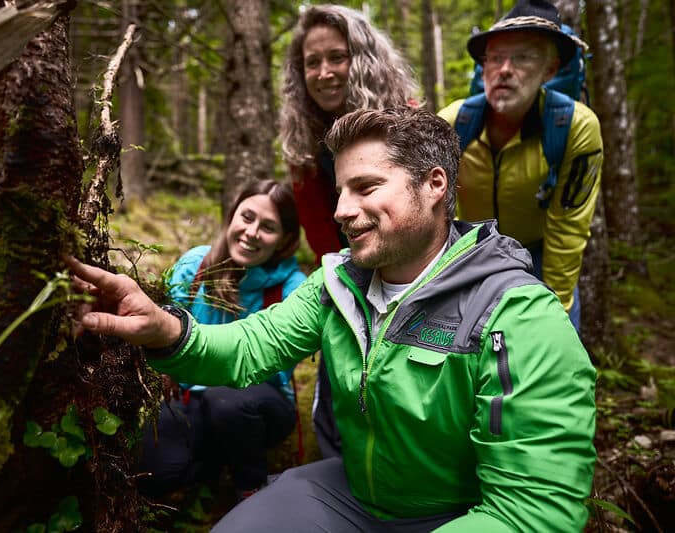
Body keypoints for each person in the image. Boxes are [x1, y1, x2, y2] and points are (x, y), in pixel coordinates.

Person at [66, 106, 597, 532]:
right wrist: (167, 328)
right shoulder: (338, 283)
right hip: (354, 495)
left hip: (462, 513)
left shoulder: (518, 315)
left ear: (435, 185)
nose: (341, 210)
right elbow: (251, 346)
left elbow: (533, 513)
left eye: (365, 188)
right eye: (340, 190)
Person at [279, 3, 421, 458]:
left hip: (411, 268)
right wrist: (345, 289)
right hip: (349, 269)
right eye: (312, 62)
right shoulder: (303, 136)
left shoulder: (408, 122)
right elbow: (321, 232)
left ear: (361, 58)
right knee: (341, 387)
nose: (323, 72)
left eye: (336, 57)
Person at [135, 179, 306, 502]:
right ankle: (210, 467)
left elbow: (274, 365)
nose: (252, 232)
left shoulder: (294, 287)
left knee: (225, 401)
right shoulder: (195, 265)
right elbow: (164, 323)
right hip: (192, 398)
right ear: (232, 216)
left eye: (268, 227)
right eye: (247, 217)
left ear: (285, 240)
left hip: (259, 400)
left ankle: (252, 490)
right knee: (153, 472)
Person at [438, 0, 603, 331]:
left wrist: (552, 312)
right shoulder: (455, 122)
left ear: (550, 70)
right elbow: (435, 209)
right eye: (495, 58)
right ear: (483, 67)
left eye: (523, 57)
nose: (505, 69)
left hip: (538, 257)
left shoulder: (574, 127)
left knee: (550, 353)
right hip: (469, 254)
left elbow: (567, 227)